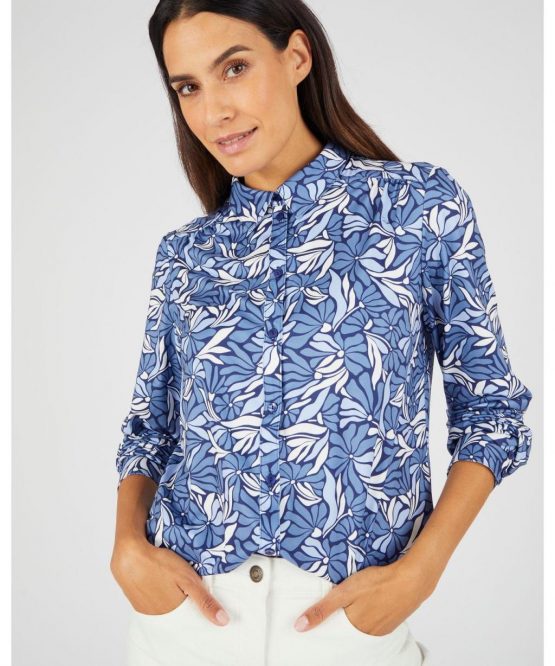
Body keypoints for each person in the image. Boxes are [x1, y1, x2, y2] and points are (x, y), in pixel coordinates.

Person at [109, 1, 534, 665]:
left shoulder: (417, 209)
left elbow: (491, 413)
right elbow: (149, 427)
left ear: (297, 57)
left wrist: (420, 572)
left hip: (346, 623)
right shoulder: (187, 253)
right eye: (188, 87)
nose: (214, 110)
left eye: (234, 69)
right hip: (186, 624)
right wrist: (126, 549)